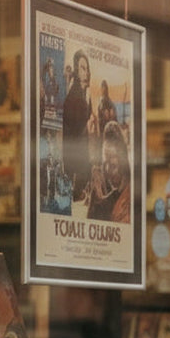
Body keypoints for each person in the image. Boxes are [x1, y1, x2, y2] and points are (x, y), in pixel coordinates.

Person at [62, 49, 95, 200]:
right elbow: (76, 133)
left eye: (87, 68)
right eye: (83, 68)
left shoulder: (85, 95)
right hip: (75, 167)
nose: (87, 72)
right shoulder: (74, 97)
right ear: (76, 70)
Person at [86, 121, 130, 223]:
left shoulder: (129, 192)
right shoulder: (104, 184)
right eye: (105, 164)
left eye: (113, 165)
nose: (108, 171)